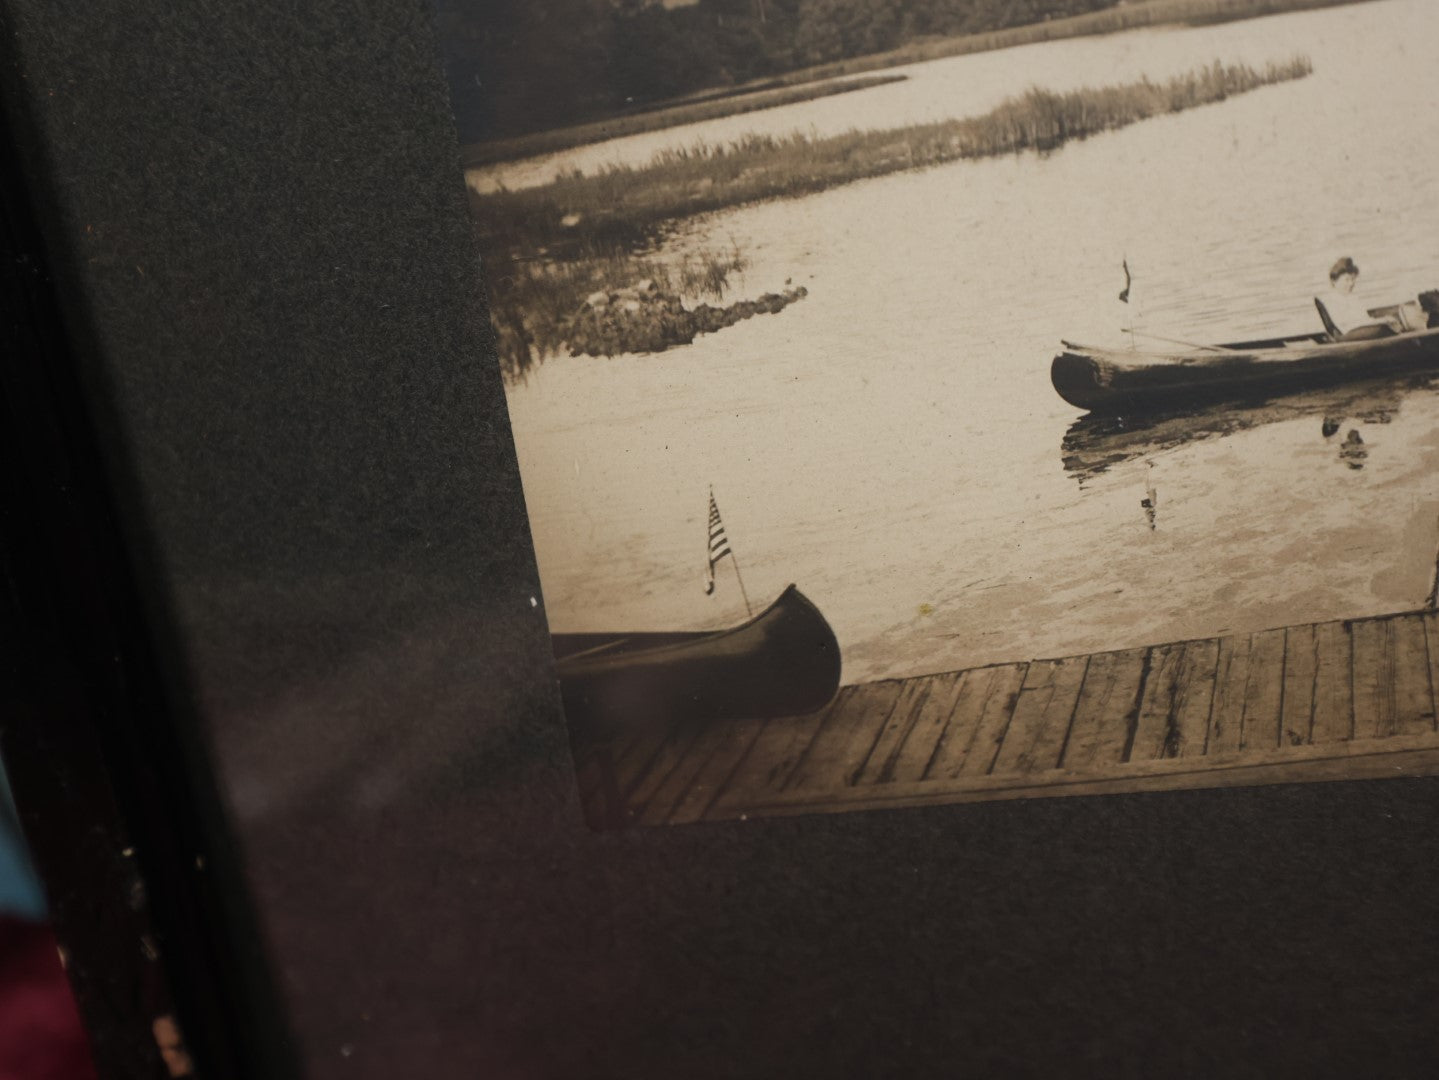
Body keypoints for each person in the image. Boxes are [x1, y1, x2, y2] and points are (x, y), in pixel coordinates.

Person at [1320, 257, 1400, 340]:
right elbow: (1347, 325)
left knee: (1390, 324)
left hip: (1360, 329)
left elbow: (1364, 319)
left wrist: (1382, 320)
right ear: (1334, 281)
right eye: (1347, 280)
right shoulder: (1332, 300)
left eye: (1353, 279)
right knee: (1383, 329)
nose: (1351, 283)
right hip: (1347, 334)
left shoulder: (1352, 298)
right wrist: (1380, 321)